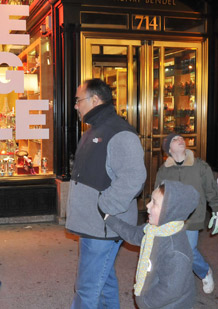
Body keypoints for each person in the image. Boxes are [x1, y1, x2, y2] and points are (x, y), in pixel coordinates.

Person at [66, 78, 147, 308]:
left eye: (78, 100)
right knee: (104, 281)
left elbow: (134, 178)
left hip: (102, 227)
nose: (75, 105)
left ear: (95, 99)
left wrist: (104, 208)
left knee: (87, 289)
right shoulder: (97, 130)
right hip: (93, 225)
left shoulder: (118, 132)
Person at [105, 180, 199, 309]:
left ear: (170, 211)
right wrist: (110, 220)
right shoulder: (153, 231)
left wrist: (146, 302)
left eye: (154, 202)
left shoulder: (175, 251)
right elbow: (133, 234)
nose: (148, 205)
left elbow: (170, 290)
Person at [155, 133, 218, 293]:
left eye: (181, 138)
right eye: (175, 140)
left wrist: (216, 210)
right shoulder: (164, 171)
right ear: (168, 148)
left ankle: (204, 271)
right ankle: (178, 280)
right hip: (171, 217)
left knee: (189, 249)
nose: (181, 140)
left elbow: (211, 190)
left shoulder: (200, 166)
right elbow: (157, 194)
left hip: (193, 217)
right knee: (174, 250)